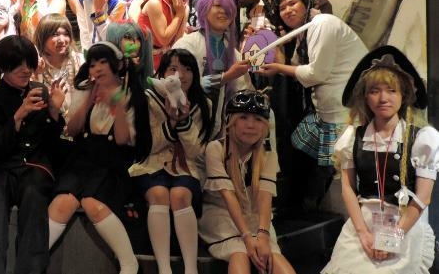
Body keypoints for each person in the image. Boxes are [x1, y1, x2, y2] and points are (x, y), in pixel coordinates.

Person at [322, 46, 438, 273]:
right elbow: (348, 187)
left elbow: (423, 197)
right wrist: (363, 232)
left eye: (392, 90)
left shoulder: (422, 139)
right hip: (364, 223)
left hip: (404, 224)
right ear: (365, 97)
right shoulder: (352, 137)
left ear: (403, 95)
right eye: (374, 91)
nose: (383, 98)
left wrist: (395, 236)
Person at [256, 0, 368, 210]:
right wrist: (277, 46)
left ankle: (343, 216)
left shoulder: (322, 23)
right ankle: (322, 209)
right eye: (282, 8)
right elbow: (297, 67)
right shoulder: (303, 33)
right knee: (304, 147)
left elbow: (315, 73)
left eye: (293, 3)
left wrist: (278, 67)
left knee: (341, 170)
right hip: (327, 112)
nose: (287, 10)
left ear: (307, 3)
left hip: (344, 113)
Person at [47, 41, 151, 274]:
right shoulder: (85, 89)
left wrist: (118, 106)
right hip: (82, 159)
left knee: (91, 203)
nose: (98, 68)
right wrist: (88, 100)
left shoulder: (131, 95)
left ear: (117, 65)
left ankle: (129, 264)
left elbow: (123, 140)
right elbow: (72, 130)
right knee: (62, 202)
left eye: (103, 62)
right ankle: (34, 262)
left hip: (112, 163)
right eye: (93, 64)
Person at [0, 35, 66, 274]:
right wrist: (18, 115)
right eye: (18, 64)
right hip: (0, 168)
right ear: (2, 66)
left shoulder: (40, 91)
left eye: (29, 64)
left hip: (34, 165)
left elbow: (51, 144)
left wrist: (54, 112)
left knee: (34, 197)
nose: (25, 70)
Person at [129, 49, 214, 274]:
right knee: (158, 194)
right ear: (163, 73)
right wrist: (172, 123)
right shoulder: (148, 99)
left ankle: (191, 268)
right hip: (151, 164)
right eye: (173, 69)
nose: (181, 75)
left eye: (187, 69)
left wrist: (184, 120)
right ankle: (164, 268)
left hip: (186, 166)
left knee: (180, 195)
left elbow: (196, 151)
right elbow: (147, 146)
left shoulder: (203, 104)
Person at [198, 90, 296, 274]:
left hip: (256, 217)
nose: (250, 125)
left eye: (258, 119)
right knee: (239, 253)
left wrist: (263, 235)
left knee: (274, 257)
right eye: (243, 117)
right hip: (222, 215)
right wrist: (246, 236)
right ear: (231, 121)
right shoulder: (216, 149)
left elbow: (265, 198)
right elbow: (228, 197)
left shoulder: (268, 155)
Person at [174, 0, 251, 131]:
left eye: (227, 7)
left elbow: (242, 89)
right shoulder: (187, 45)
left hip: (220, 131)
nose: (223, 11)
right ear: (204, 9)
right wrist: (226, 77)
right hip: (186, 127)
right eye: (217, 5)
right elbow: (177, 85)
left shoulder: (234, 53)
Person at [138, 0, 189, 70]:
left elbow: (177, 42)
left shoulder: (184, 7)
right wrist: (179, 14)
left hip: (166, 58)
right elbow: (164, 39)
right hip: (145, 58)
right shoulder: (155, 3)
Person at [33, 13, 84, 120]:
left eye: (66, 34)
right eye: (55, 34)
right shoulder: (35, 65)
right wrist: (38, 74)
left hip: (79, 120)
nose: (62, 40)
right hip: (50, 123)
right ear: (42, 37)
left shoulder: (80, 60)